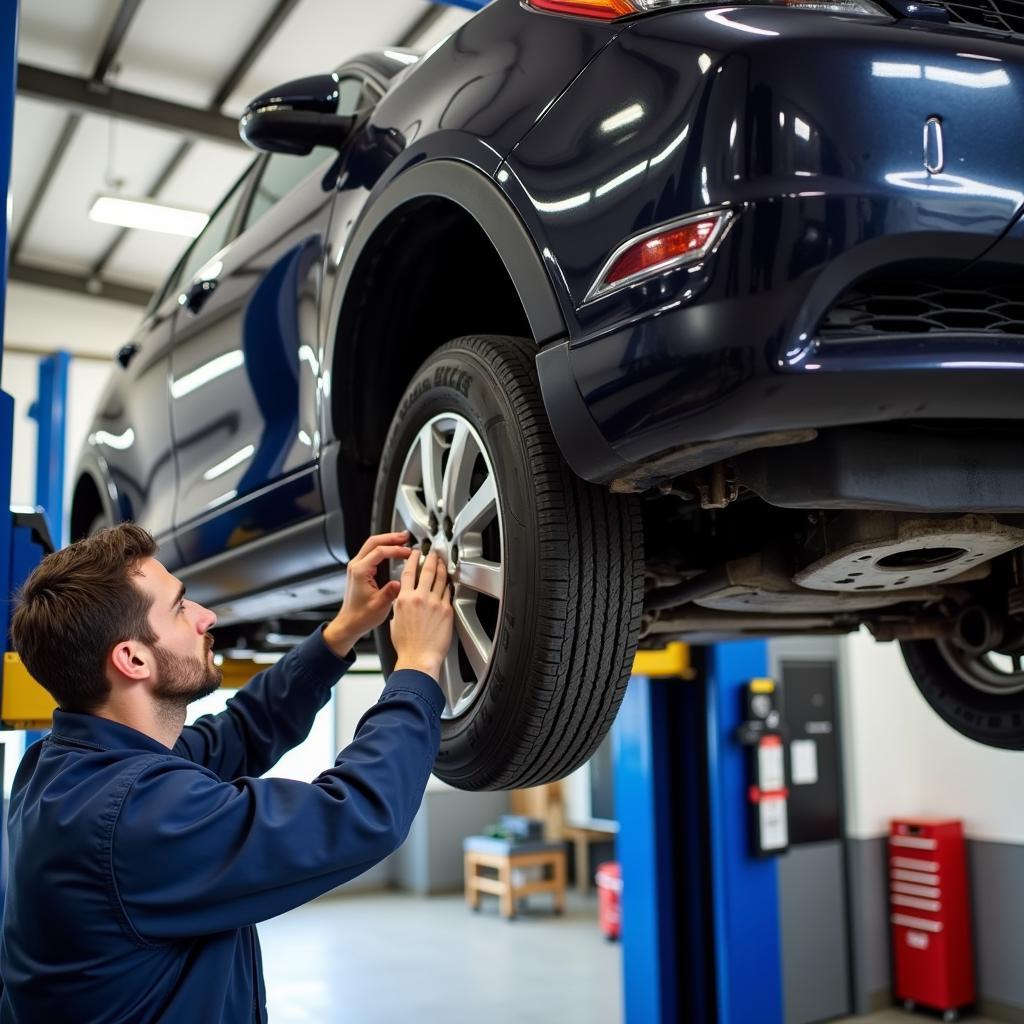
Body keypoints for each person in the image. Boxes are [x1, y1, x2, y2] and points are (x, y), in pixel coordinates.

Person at [0, 523, 453, 1023]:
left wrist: (342, 630)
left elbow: (239, 732)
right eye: (179, 607)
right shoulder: (130, 818)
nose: (205, 616)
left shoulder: (71, 767)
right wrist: (418, 664)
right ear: (132, 659)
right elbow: (357, 815)